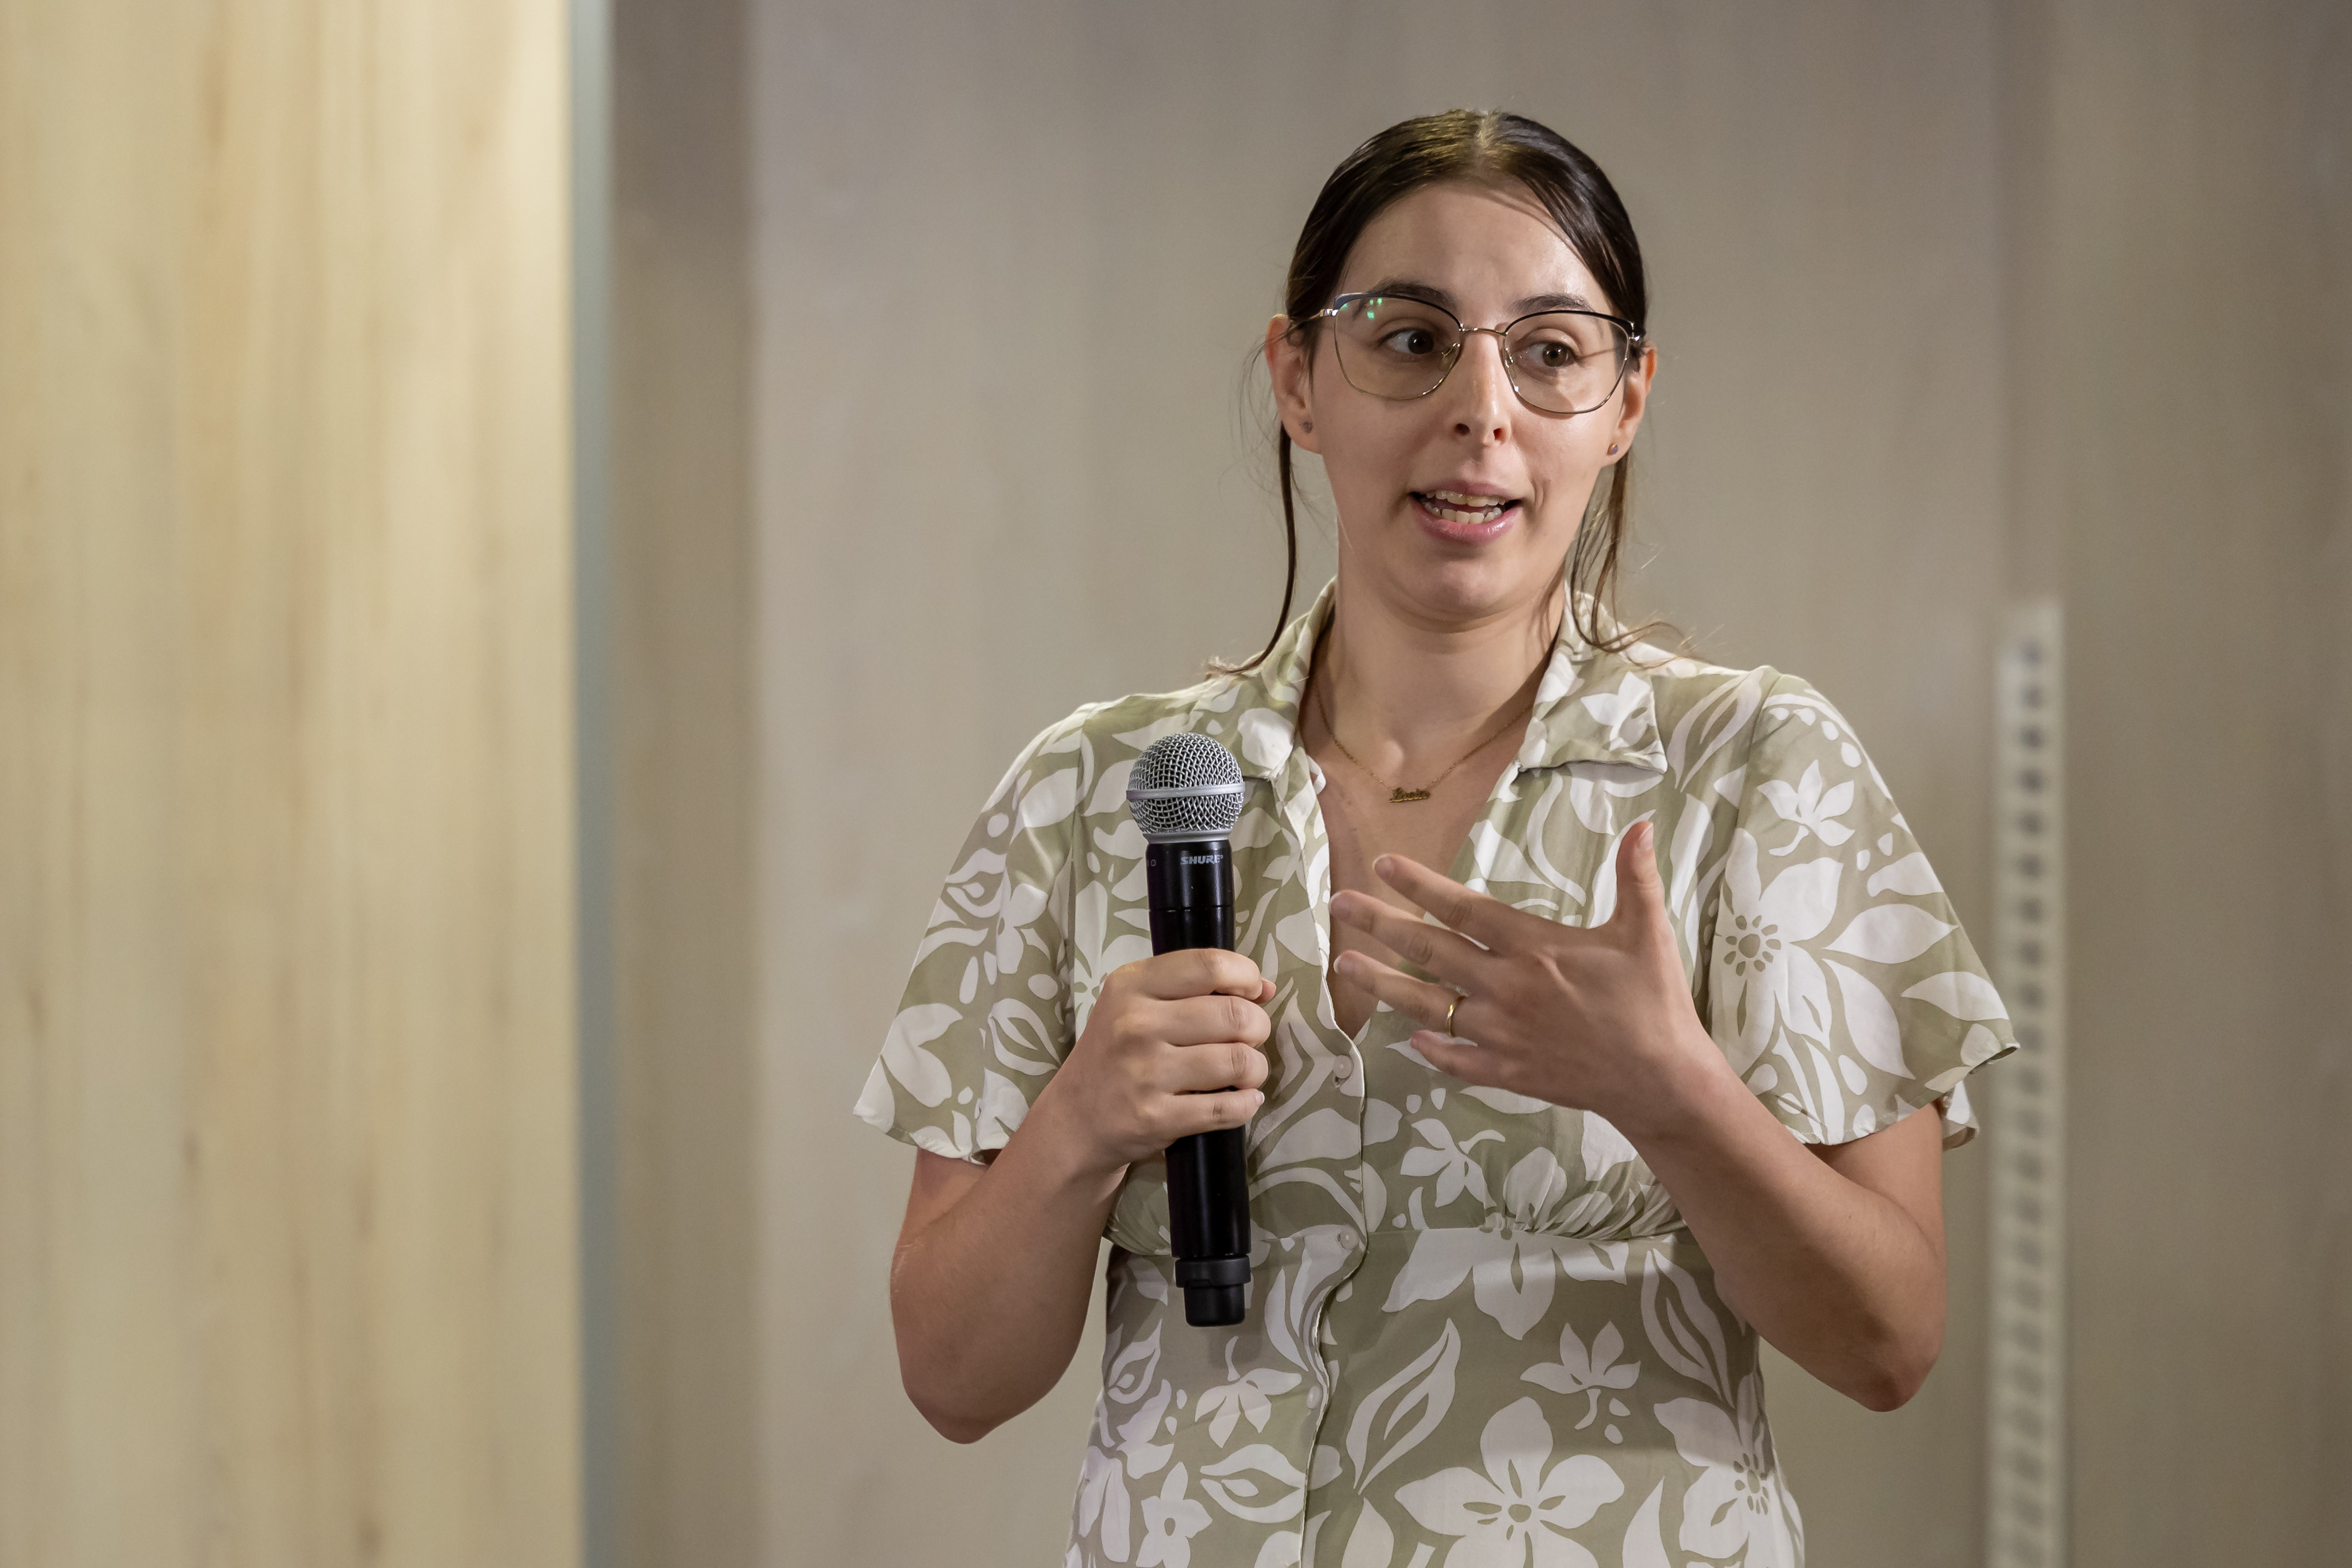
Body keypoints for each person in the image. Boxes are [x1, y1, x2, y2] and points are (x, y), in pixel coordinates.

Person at [853, 109, 2013, 1568]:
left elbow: (1888, 1343)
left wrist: (1668, 1093)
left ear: (1625, 402)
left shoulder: (1757, 772)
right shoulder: (1094, 789)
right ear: (1297, 378)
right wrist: (1081, 1123)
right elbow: (953, 1380)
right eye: (1409, 340)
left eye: (1549, 352)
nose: (1481, 410)